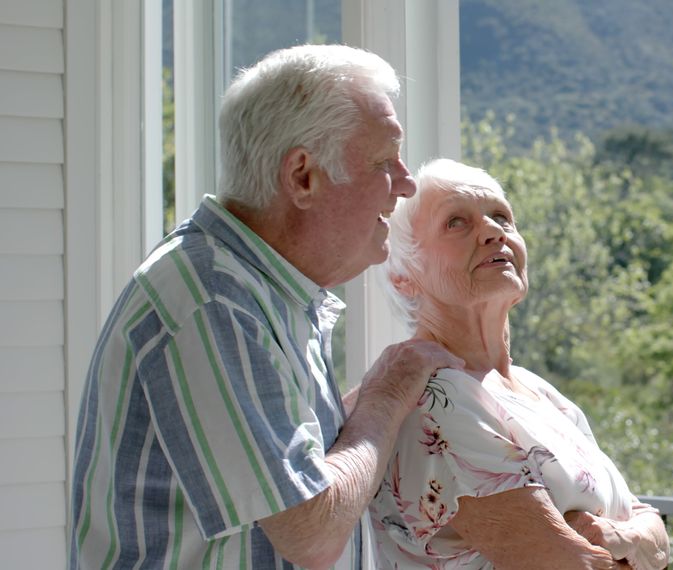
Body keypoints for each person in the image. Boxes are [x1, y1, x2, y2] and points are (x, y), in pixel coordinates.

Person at [68, 44, 462, 569]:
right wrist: (386, 396)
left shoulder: (260, 287)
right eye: (383, 161)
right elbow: (312, 532)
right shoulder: (214, 302)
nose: (406, 183)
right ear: (302, 176)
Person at [369, 158, 671, 569]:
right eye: (456, 222)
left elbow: (650, 525)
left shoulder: (539, 392)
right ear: (403, 275)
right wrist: (631, 544)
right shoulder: (435, 399)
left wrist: (622, 535)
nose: (494, 232)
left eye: (502, 217)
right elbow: (576, 564)